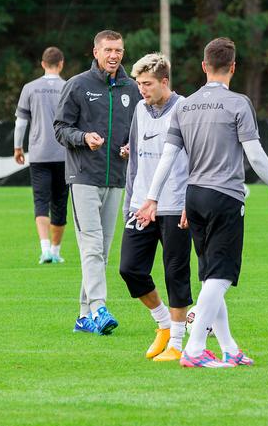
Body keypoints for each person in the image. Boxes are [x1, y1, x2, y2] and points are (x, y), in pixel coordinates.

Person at [136, 37, 268, 368]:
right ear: (233, 67)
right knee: (220, 276)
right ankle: (193, 349)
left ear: (204, 66)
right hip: (225, 197)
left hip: (193, 198)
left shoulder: (185, 106)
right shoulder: (238, 103)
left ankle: (230, 348)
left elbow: (167, 157)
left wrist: (151, 197)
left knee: (210, 275)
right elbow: (254, 153)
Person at [54, 30, 141, 336]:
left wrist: (132, 146)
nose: (114, 55)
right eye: (108, 50)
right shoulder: (78, 85)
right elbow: (61, 129)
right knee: (91, 244)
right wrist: (83, 137)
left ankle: (82, 316)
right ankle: (99, 308)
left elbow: (138, 130)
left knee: (102, 250)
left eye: (118, 50)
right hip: (83, 176)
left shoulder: (133, 88)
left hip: (117, 178)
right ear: (95, 52)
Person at [119, 53, 192, 362]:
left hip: (175, 205)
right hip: (140, 205)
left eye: (147, 84)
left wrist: (191, 202)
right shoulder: (139, 108)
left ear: (165, 82)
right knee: (130, 269)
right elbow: (135, 158)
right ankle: (162, 324)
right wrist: (130, 202)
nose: (141, 89)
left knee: (175, 272)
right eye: (138, 83)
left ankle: (176, 343)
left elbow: (198, 158)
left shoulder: (185, 109)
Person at [14, 46, 68, 264]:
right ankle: (56, 251)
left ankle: (44, 249)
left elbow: (20, 122)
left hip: (39, 154)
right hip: (65, 154)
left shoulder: (30, 88)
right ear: (61, 64)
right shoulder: (68, 87)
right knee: (60, 203)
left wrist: (18, 147)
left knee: (40, 201)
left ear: (42, 64)